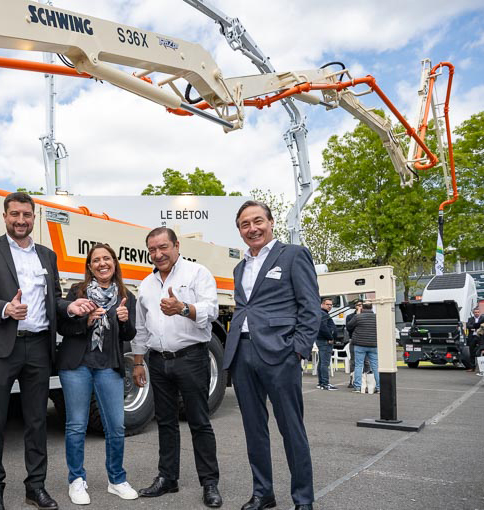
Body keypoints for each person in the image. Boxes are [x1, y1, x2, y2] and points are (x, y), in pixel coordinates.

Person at [0, 192, 95, 510]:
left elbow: (53, 301)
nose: (21, 220)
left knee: (36, 421)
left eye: (26, 214)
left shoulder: (47, 256)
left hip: (38, 346)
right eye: (14, 214)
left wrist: (69, 306)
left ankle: (35, 486)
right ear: (5, 216)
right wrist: (5, 308)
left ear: (34, 217)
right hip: (0, 348)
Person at [223, 200, 319, 510]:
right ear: (239, 231)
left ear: (271, 222)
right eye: (244, 225)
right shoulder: (239, 267)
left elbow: (310, 306)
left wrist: (299, 350)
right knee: (254, 429)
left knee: (291, 429)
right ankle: (263, 493)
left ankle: (303, 500)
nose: (252, 229)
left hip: (281, 353)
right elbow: (246, 308)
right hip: (242, 352)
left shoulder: (292, 255)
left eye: (257, 221)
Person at [131, 227, 223, 508]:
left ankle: (209, 483)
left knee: (199, 422)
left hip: (192, 358)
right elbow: (140, 327)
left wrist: (183, 308)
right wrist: (137, 361)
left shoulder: (197, 274)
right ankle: (167, 478)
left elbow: (212, 309)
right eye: (152, 250)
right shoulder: (146, 284)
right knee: (166, 423)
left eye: (163, 247)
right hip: (158, 361)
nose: (158, 254)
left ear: (176, 246)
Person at [56, 243, 139, 505]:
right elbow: (63, 328)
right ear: (89, 267)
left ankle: (116, 479)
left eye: (107, 259)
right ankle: (76, 480)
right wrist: (86, 321)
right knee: (76, 425)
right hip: (76, 365)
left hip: (108, 366)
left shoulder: (127, 296)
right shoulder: (76, 292)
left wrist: (124, 321)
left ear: (114, 263)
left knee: (116, 426)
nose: (102, 263)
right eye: (96, 260)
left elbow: (129, 336)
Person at [346, 302, 380, 394]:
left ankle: (357, 387)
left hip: (359, 344)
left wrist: (357, 314)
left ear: (362, 308)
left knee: (358, 365)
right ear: (372, 307)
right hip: (373, 344)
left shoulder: (358, 317)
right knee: (375, 366)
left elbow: (349, 327)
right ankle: (379, 387)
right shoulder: (377, 317)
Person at [316, 298, 338, 390]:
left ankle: (321, 383)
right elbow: (323, 328)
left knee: (321, 362)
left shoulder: (322, 314)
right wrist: (330, 337)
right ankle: (325, 383)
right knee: (324, 363)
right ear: (322, 305)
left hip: (322, 340)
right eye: (327, 304)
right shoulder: (322, 314)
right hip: (325, 341)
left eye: (331, 305)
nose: (330, 306)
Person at [346, 301, 363, 386]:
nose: (360, 307)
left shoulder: (366, 316)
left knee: (365, 362)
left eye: (362, 305)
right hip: (353, 340)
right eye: (358, 305)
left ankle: (364, 380)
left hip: (364, 340)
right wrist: (357, 316)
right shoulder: (350, 317)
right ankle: (352, 380)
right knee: (353, 361)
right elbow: (349, 328)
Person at [465, 308, 484, 372]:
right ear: (473, 313)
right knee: (471, 352)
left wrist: (474, 327)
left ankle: (481, 368)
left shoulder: (482, 319)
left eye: (478, 312)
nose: (477, 313)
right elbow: (468, 326)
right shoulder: (470, 319)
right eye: (475, 312)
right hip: (472, 337)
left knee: (481, 351)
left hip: (480, 337)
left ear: (479, 312)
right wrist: (476, 327)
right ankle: (472, 367)